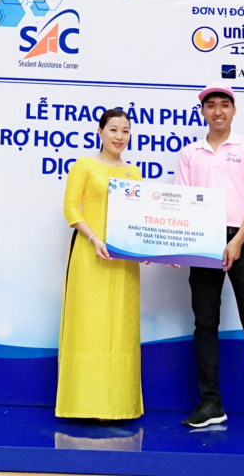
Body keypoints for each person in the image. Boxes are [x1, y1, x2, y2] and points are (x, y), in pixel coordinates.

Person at [175, 83, 244, 438]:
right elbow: (183, 204)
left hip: (243, 239)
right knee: (204, 324)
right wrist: (177, 246)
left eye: (224, 105)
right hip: (203, 241)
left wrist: (236, 241)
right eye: (211, 106)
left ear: (234, 110)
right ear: (203, 112)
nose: (217, 111)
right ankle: (210, 404)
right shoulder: (190, 153)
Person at [55, 109, 143, 420]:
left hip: (123, 261)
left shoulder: (134, 173)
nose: (120, 136)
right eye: (113, 129)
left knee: (120, 327)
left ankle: (117, 404)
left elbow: (139, 219)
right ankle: (82, 403)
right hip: (89, 254)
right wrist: (93, 238)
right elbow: (70, 207)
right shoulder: (85, 165)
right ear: (100, 132)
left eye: (125, 130)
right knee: (87, 324)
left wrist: (149, 250)